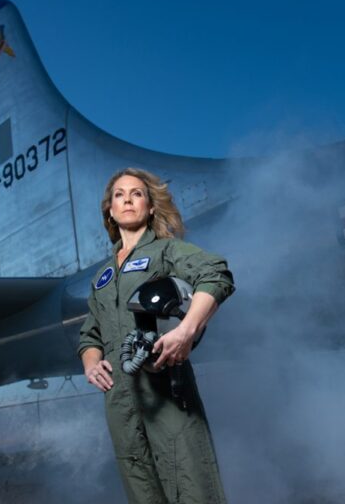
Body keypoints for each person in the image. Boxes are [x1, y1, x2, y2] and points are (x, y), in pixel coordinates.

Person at [78, 168, 234, 504]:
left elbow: (216, 275)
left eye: (136, 194)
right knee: (140, 488)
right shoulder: (102, 276)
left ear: (150, 207)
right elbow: (90, 333)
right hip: (119, 401)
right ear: (110, 211)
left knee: (192, 484)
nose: (127, 200)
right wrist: (91, 363)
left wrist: (186, 331)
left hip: (165, 389)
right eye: (119, 195)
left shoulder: (166, 250)